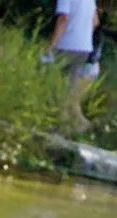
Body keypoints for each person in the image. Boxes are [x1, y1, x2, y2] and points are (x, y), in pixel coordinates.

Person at [40, 0, 100, 132]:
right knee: (69, 88)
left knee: (55, 87)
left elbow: (63, 18)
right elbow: (95, 21)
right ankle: (73, 126)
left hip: (67, 45)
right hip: (84, 47)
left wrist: (50, 46)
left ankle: (57, 125)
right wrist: (82, 34)